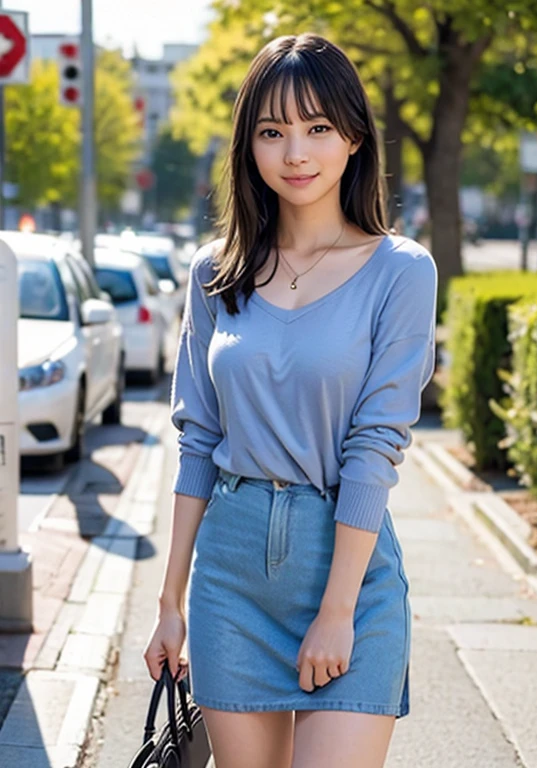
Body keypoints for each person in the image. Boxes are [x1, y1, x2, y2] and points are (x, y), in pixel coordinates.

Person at [144, 32, 438, 768]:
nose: (296, 153)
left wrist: (337, 611)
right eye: (273, 132)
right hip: (231, 581)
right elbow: (197, 440)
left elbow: (376, 446)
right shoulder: (217, 272)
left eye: (317, 129)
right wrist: (169, 604)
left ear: (354, 137)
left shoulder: (400, 272)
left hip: (348, 575)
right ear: (249, 146)